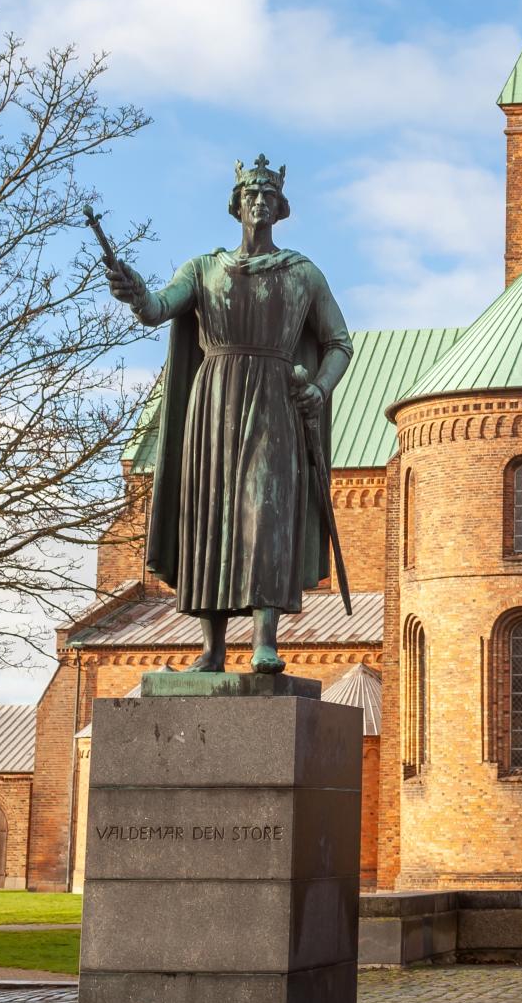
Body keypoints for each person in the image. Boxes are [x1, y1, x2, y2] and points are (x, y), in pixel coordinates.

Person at [105, 156, 352, 673]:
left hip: (273, 403)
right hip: (213, 402)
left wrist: (321, 390)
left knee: (266, 514)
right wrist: (135, 293)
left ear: (280, 209)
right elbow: (157, 308)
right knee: (209, 517)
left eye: (267, 196)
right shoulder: (202, 269)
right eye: (250, 195)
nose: (258, 202)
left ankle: (265, 640)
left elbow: (338, 344)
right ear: (237, 204)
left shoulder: (303, 273)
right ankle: (212, 651)